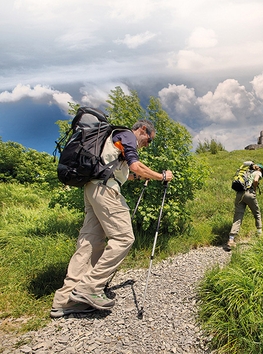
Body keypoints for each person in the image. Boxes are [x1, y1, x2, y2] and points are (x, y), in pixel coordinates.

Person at [50, 119, 173, 318]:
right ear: (143, 130)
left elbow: (124, 172)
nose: (147, 144)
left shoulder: (112, 139)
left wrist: (144, 175)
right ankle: (90, 287)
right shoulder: (128, 136)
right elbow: (135, 166)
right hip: (106, 191)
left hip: (92, 189)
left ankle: (64, 301)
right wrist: (162, 176)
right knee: (124, 238)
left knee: (89, 244)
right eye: (149, 140)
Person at [226, 162, 263, 250]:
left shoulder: (246, 171)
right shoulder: (258, 172)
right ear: (260, 169)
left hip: (239, 195)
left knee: (238, 217)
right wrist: (254, 189)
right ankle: (260, 235)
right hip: (249, 193)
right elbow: (255, 180)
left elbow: (244, 163)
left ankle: (231, 240)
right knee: (257, 213)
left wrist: (252, 163)